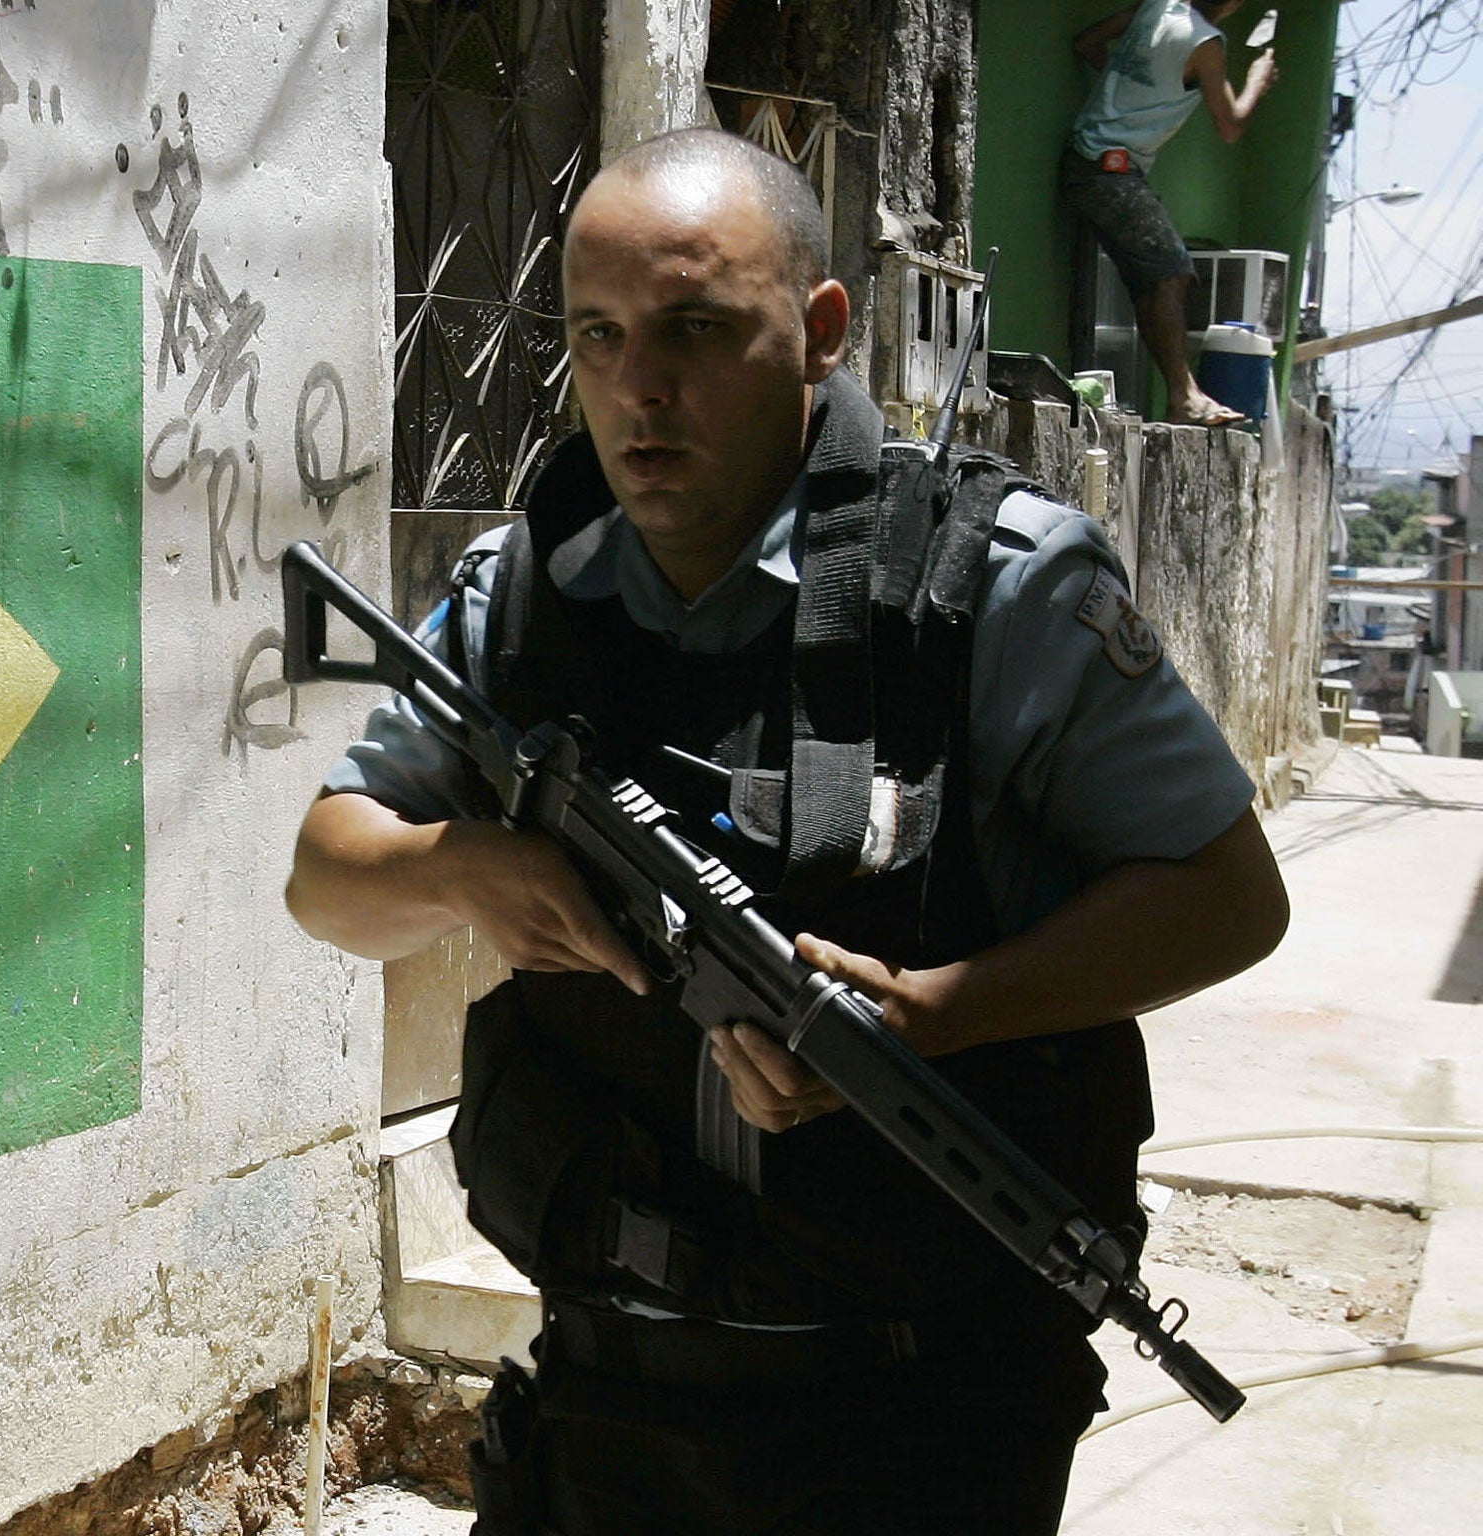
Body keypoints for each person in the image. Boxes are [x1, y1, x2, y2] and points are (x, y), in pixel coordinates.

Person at [286, 127, 1288, 1535]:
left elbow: (1231, 895)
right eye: (599, 335)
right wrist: (465, 868)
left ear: (820, 331)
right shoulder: (525, 598)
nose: (641, 386)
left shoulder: (988, 591)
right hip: (602, 1408)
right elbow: (327, 876)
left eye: (698, 329)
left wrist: (948, 1010)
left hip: (916, 1426)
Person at [1063, 1, 1279, 426]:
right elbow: (1231, 125)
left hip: (1086, 157)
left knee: (1153, 278)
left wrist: (1131, 99)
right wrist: (1257, 81)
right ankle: (1183, 396)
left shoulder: (1156, 8)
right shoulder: (1207, 43)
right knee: (1171, 272)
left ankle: (1186, 393)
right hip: (1113, 169)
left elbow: (1086, 44)